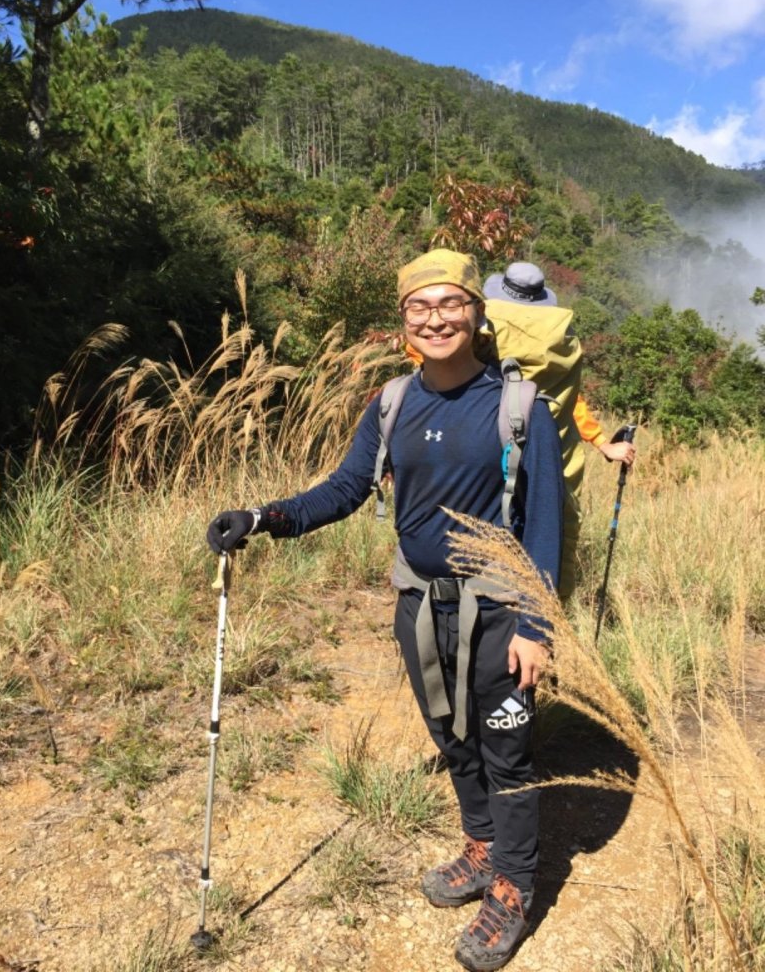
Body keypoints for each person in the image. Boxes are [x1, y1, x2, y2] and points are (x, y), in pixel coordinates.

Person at [207, 247, 565, 972]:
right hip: (419, 607)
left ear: (476, 310)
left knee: (507, 752)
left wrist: (535, 626)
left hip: (498, 612)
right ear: (404, 319)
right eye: (419, 307)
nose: (436, 319)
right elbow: (343, 490)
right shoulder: (392, 403)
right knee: (451, 738)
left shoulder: (522, 407)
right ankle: (482, 845)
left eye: (450, 304)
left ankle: (515, 886)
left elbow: (546, 526)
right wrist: (263, 516)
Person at [484, 261, 636, 468]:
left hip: (482, 443)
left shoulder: (480, 330)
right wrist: (602, 443)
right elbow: (567, 398)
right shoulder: (561, 341)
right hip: (543, 453)